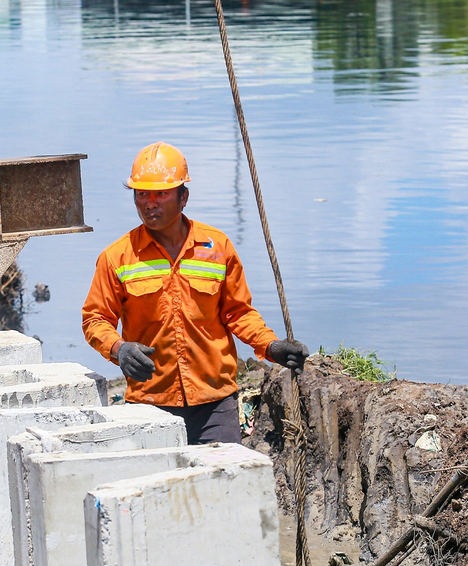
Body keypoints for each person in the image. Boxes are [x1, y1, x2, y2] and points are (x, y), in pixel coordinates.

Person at [82, 142, 309, 444]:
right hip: (150, 404)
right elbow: (95, 319)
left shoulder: (217, 248)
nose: (150, 203)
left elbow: (238, 313)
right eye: (142, 194)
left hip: (215, 404)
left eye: (161, 194)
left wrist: (271, 346)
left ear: (183, 196)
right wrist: (119, 349)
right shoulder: (118, 257)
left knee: (222, 485)